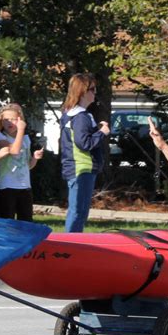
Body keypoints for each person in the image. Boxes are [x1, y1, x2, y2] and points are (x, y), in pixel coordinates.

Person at [60, 73, 110, 232]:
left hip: (80, 168)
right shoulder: (81, 116)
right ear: (82, 91)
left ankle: (73, 243)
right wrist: (102, 132)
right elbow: (84, 143)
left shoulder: (74, 114)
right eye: (92, 89)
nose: (95, 93)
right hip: (81, 168)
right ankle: (70, 246)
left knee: (79, 211)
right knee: (78, 211)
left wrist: (97, 130)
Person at [0, 103, 44, 221]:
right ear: (1, 121)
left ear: (20, 120)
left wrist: (34, 158)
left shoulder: (25, 139)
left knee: (26, 219)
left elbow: (27, 166)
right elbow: (14, 151)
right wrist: (21, 129)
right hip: (6, 186)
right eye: (6, 119)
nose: (10, 122)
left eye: (13, 119)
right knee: (7, 219)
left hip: (24, 186)